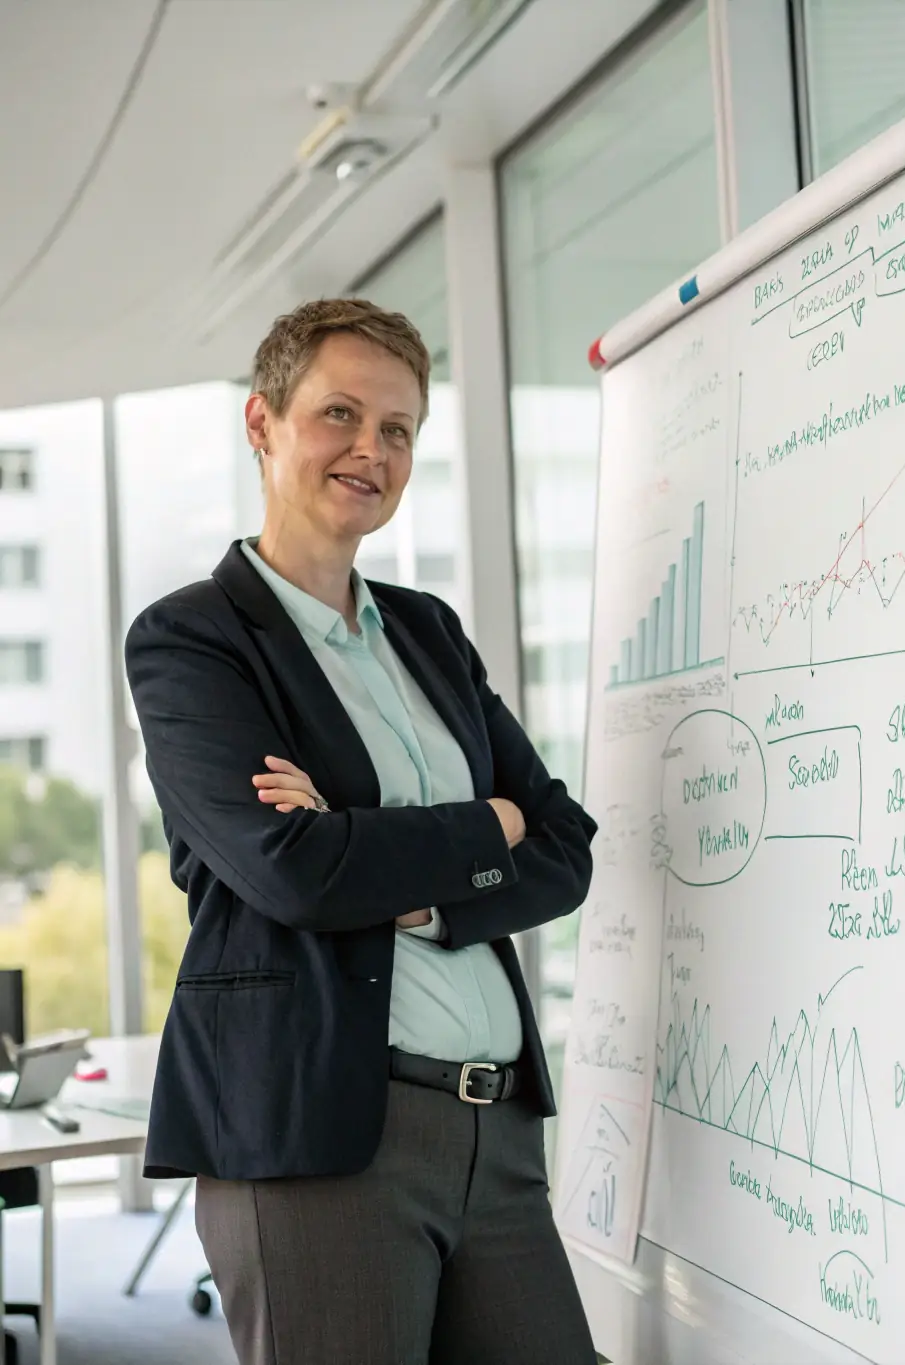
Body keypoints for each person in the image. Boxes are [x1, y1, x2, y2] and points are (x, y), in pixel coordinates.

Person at [124, 298, 599, 1365]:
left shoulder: (427, 632)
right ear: (263, 423)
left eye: (396, 430)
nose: (368, 451)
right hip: (322, 1132)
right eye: (338, 414)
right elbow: (292, 873)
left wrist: (390, 856)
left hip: (499, 1130)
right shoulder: (192, 640)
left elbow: (563, 845)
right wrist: (488, 826)